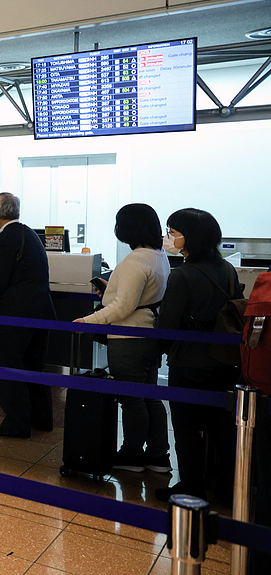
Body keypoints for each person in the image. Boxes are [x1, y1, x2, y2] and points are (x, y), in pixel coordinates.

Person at [74, 204, 170, 472]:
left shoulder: (135, 260)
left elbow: (123, 307)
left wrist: (88, 321)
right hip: (150, 334)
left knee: (131, 400)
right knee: (149, 396)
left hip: (128, 338)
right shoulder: (158, 255)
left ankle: (131, 455)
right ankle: (158, 456)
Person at [156, 208, 241, 503]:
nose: (168, 238)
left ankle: (191, 485)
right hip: (225, 360)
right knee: (222, 428)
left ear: (189, 238)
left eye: (173, 233)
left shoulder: (183, 275)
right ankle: (229, 488)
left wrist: (166, 350)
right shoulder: (227, 269)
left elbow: (167, 325)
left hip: (189, 362)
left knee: (187, 427)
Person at [0, 192, 55, 438]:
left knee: (8, 366)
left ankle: (17, 423)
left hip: (16, 314)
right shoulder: (31, 234)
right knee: (34, 366)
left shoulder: (3, 239)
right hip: (42, 310)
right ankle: (41, 419)